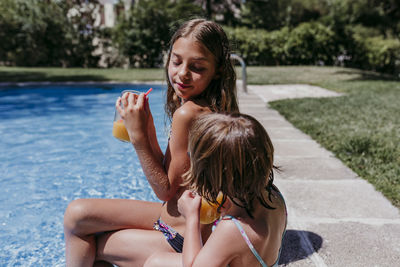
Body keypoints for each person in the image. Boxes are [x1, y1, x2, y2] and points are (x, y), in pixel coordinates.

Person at [63, 18, 239, 266]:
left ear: (218, 69)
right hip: (177, 219)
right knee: (77, 213)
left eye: (197, 67)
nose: (182, 74)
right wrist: (149, 130)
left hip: (182, 236)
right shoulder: (216, 107)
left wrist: (139, 137)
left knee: (88, 238)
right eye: (176, 61)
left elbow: (164, 190)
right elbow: (172, 179)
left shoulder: (188, 114)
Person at [144, 113, 287, 267]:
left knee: (154, 263)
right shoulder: (274, 195)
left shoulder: (232, 229)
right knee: (157, 260)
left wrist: (192, 217)